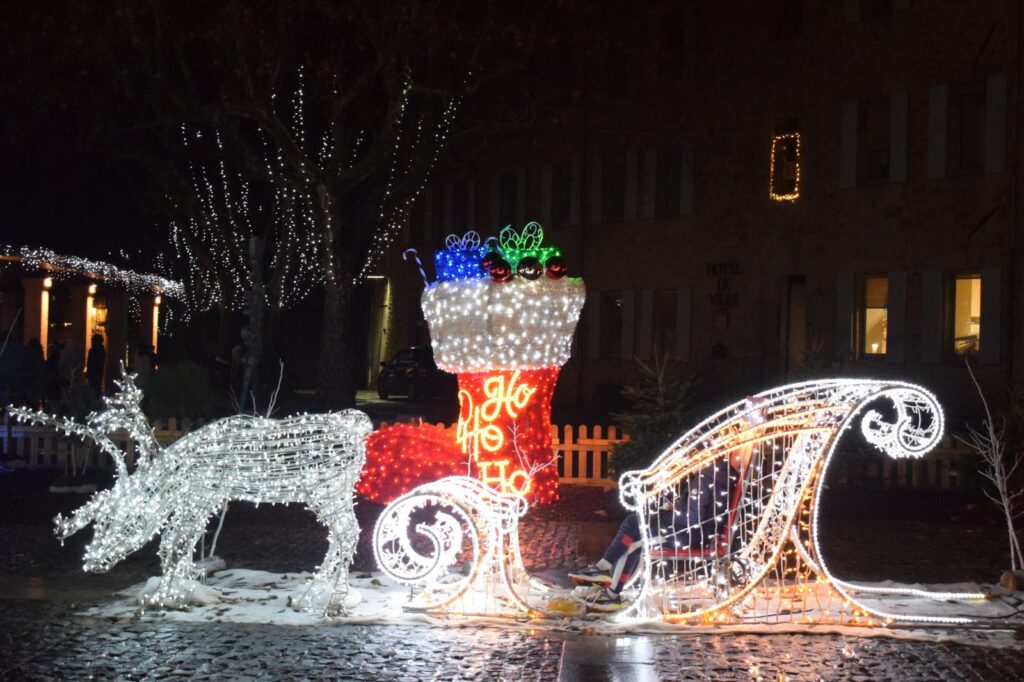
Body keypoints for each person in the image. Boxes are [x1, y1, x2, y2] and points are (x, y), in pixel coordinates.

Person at [569, 454, 742, 607]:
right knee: (634, 527)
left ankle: (607, 581)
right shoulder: (719, 474)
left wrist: (669, 512)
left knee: (633, 533)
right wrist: (672, 507)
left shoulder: (705, 478)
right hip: (697, 533)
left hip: (688, 536)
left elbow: (692, 520)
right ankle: (607, 578)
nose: (687, 463)